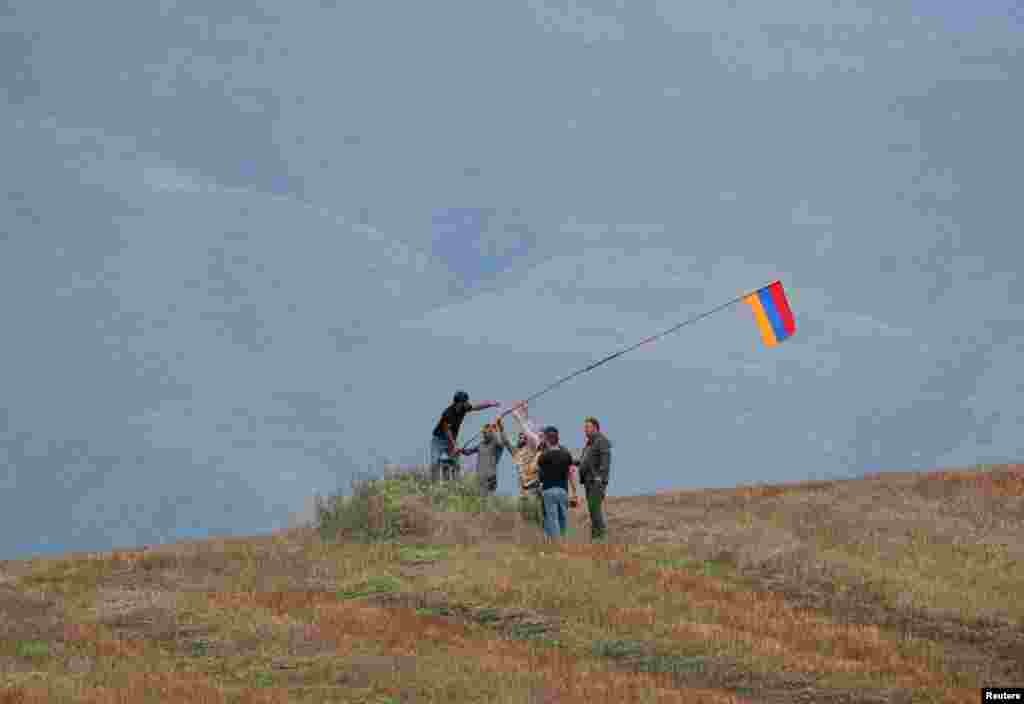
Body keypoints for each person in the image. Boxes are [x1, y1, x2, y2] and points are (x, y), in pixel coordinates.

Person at [431, 391, 500, 482]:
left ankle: (457, 483)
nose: (468, 403)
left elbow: (477, 407)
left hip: (451, 440)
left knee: (456, 462)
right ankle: (434, 483)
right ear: (459, 403)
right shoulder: (447, 413)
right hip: (439, 440)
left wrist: (490, 404)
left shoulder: (464, 408)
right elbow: (447, 431)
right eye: (466, 401)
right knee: (435, 462)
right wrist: (454, 445)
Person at [575, 416, 612, 541]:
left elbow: (605, 462)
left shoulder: (602, 441)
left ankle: (600, 538)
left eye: (588, 427)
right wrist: (572, 461)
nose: (585, 430)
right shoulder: (589, 444)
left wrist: (600, 478)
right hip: (588, 482)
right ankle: (595, 538)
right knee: (592, 510)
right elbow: (584, 461)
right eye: (584, 428)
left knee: (595, 509)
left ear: (596, 428)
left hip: (596, 482)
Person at [535, 426, 574, 540]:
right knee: (563, 519)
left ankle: (556, 544)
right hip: (563, 490)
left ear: (547, 439)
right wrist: (575, 492)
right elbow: (570, 473)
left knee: (552, 519)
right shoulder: (566, 454)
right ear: (558, 439)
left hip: (548, 490)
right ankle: (563, 540)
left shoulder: (543, 456)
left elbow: (536, 470)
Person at [462, 419, 514, 495]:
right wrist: (461, 450)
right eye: (483, 433)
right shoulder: (480, 445)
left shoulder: (496, 444)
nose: (484, 435)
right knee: (479, 498)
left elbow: (504, 442)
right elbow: (468, 452)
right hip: (480, 477)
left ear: (491, 433)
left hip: (490, 477)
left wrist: (500, 428)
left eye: (486, 433)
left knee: (487, 497)